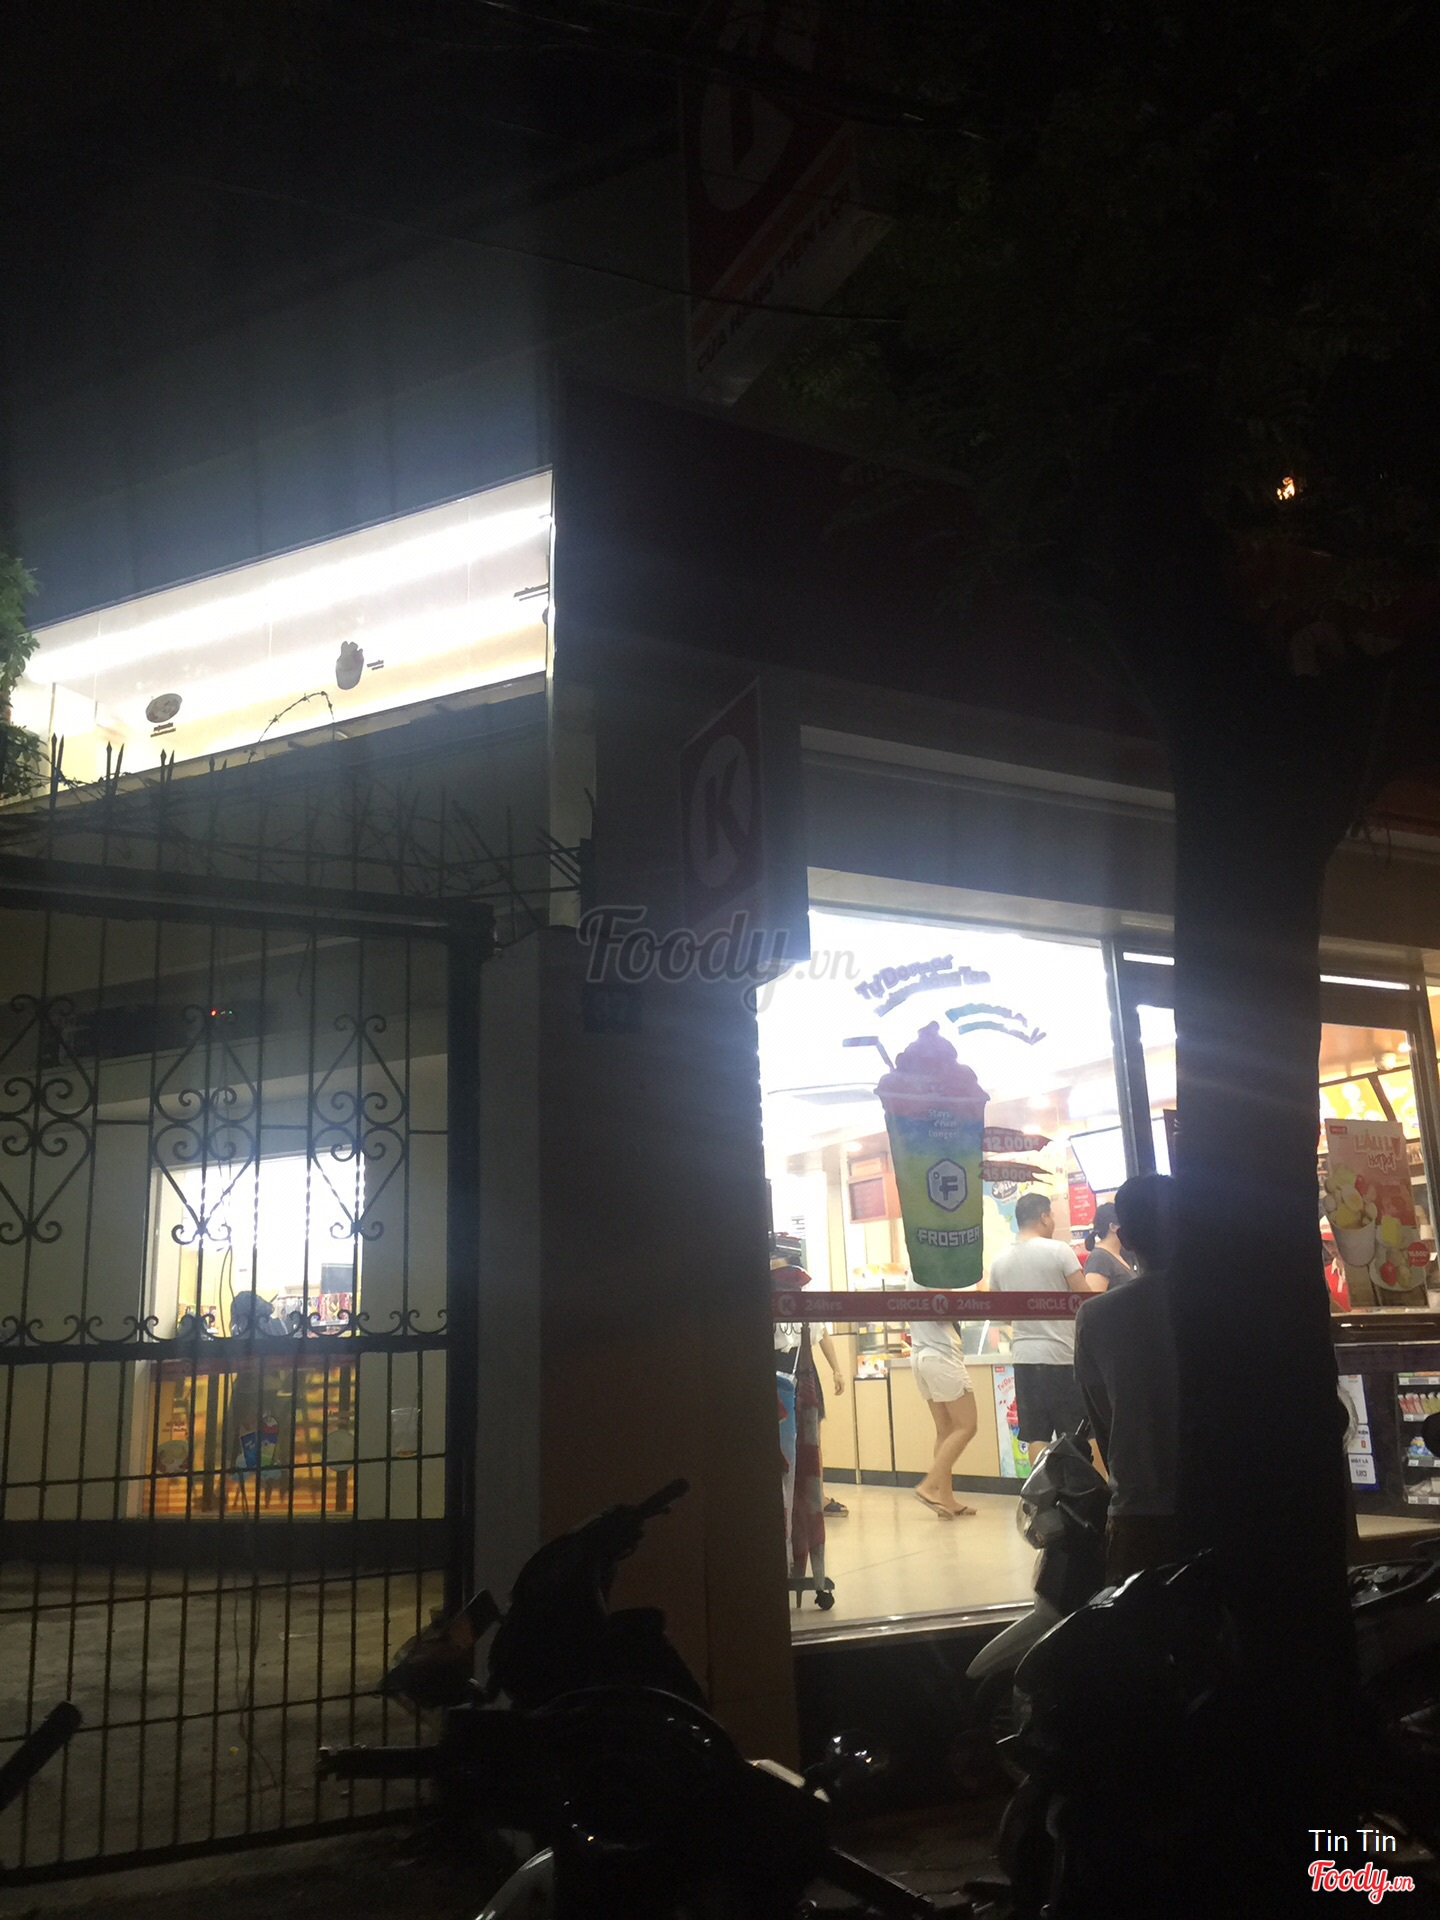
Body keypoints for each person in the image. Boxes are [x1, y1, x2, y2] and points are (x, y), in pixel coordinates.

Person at [1072, 1171, 1178, 1583]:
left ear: (1127, 1238)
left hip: (1140, 1509)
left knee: (1138, 1617)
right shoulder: (1226, 1306)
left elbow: (1103, 1419)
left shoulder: (1096, 1316)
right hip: (1225, 1503)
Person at [989, 1192, 1099, 1465]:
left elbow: (999, 1313)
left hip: (1025, 1359)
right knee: (1083, 1433)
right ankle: (1096, 1487)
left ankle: (1043, 1491)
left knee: (1036, 1434)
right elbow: (1086, 1300)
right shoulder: (1059, 1251)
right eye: (1052, 1215)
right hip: (1062, 1357)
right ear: (1044, 1217)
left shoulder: (999, 1260)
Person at [907, 1283, 978, 1518]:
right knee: (967, 1425)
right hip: (942, 1355)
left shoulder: (914, 1274)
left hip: (921, 1355)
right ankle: (929, 1486)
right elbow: (943, 1307)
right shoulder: (930, 1271)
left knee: (945, 1430)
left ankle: (945, 1499)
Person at [1082, 1204, 1135, 1292]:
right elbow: (1095, 1298)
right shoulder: (1099, 1258)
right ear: (1113, 1227)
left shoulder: (1122, 1253)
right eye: (1126, 1224)